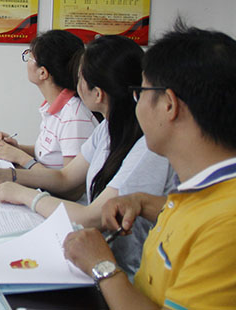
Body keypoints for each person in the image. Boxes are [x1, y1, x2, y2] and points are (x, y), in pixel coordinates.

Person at [0, 35, 175, 276]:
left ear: (98, 94)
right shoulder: (108, 128)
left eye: (79, 79)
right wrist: (5, 175)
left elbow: (90, 217)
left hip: (123, 273)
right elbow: (66, 177)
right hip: (94, 257)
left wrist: (23, 194)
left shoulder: (147, 147)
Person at [63, 24, 236, 309]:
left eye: (140, 92)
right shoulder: (200, 188)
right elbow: (190, 215)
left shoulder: (226, 225)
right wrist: (142, 201)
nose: (136, 104)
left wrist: (102, 265)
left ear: (169, 104)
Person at [0, 30, 96, 170]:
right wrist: (16, 149)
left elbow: (71, 186)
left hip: (52, 192)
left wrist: (20, 157)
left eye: (30, 56)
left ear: (43, 73)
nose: (27, 60)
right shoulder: (52, 107)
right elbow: (48, 156)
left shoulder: (74, 117)